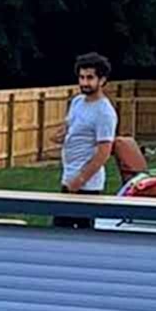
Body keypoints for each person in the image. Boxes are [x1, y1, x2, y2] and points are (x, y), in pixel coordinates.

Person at [52, 52, 117, 228]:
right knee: (59, 233)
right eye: (81, 77)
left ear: (102, 80)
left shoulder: (104, 112)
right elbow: (70, 126)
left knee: (83, 235)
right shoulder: (77, 101)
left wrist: (80, 180)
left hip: (87, 185)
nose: (84, 82)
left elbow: (104, 152)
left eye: (90, 78)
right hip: (69, 178)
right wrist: (60, 135)